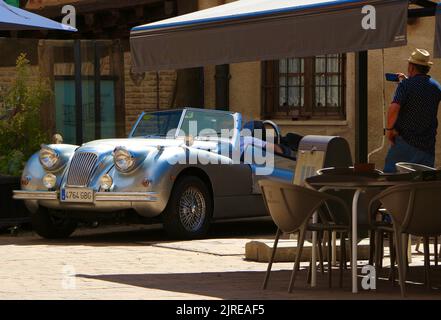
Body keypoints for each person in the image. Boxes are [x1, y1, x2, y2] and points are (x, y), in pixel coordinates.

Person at [383, 48, 441, 173]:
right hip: (427, 146)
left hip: (405, 143)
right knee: (422, 185)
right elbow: (420, 98)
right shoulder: (436, 87)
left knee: (390, 180)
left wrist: (389, 130)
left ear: (411, 67)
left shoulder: (406, 86)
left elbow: (394, 108)